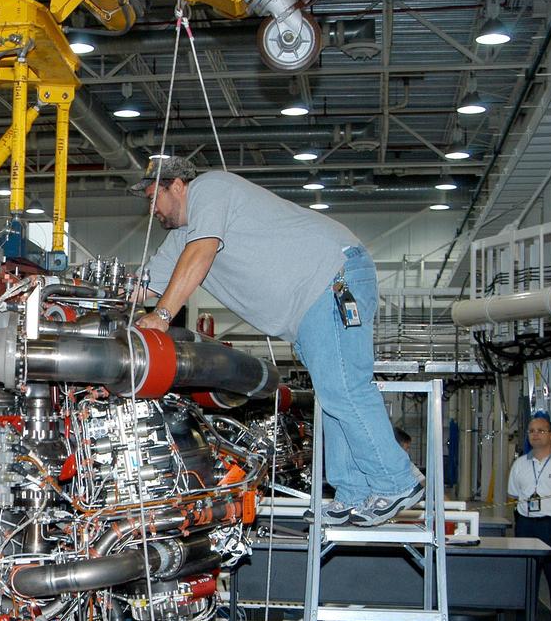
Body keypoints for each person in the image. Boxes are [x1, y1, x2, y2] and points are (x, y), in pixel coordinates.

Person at [134, 156, 421, 527]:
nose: (152, 208)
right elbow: (142, 288)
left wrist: (161, 316)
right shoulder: (180, 240)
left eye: (154, 196)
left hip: (331, 279)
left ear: (177, 185)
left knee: (344, 389)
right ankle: (353, 492)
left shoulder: (210, 188)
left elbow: (201, 254)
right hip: (308, 310)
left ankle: (396, 480)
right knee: (332, 397)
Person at [507, 414, 551, 621]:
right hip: (527, 526)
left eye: (541, 430)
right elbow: (513, 494)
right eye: (532, 430)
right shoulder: (520, 464)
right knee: (525, 579)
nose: (535, 434)